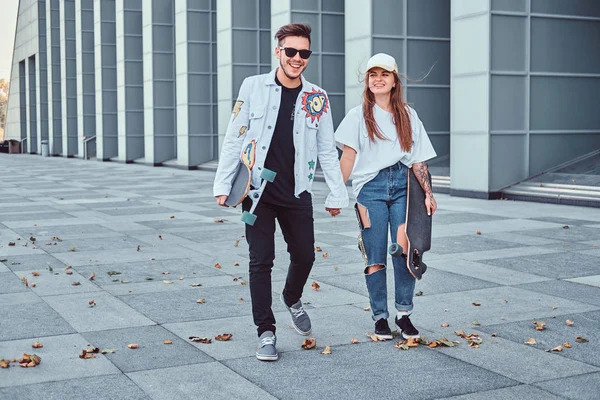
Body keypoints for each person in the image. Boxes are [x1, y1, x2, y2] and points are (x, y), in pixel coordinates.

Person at [213, 23, 348, 361]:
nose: (298, 58)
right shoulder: (253, 86)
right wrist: (222, 183)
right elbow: (235, 136)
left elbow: (328, 149)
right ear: (278, 51)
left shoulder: (317, 96)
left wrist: (337, 193)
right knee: (261, 261)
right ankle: (266, 332)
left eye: (305, 53)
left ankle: (292, 297)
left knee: (305, 255)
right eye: (291, 51)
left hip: (297, 190)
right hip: (256, 191)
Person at [335, 53, 437, 341]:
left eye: (384, 74)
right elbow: (348, 156)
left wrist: (428, 194)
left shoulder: (408, 115)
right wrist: (336, 192)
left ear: (394, 81)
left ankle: (404, 315)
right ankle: (380, 318)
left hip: (405, 187)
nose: (378, 79)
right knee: (375, 255)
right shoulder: (357, 116)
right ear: (367, 82)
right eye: (372, 75)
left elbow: (418, 161)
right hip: (371, 189)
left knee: (404, 252)